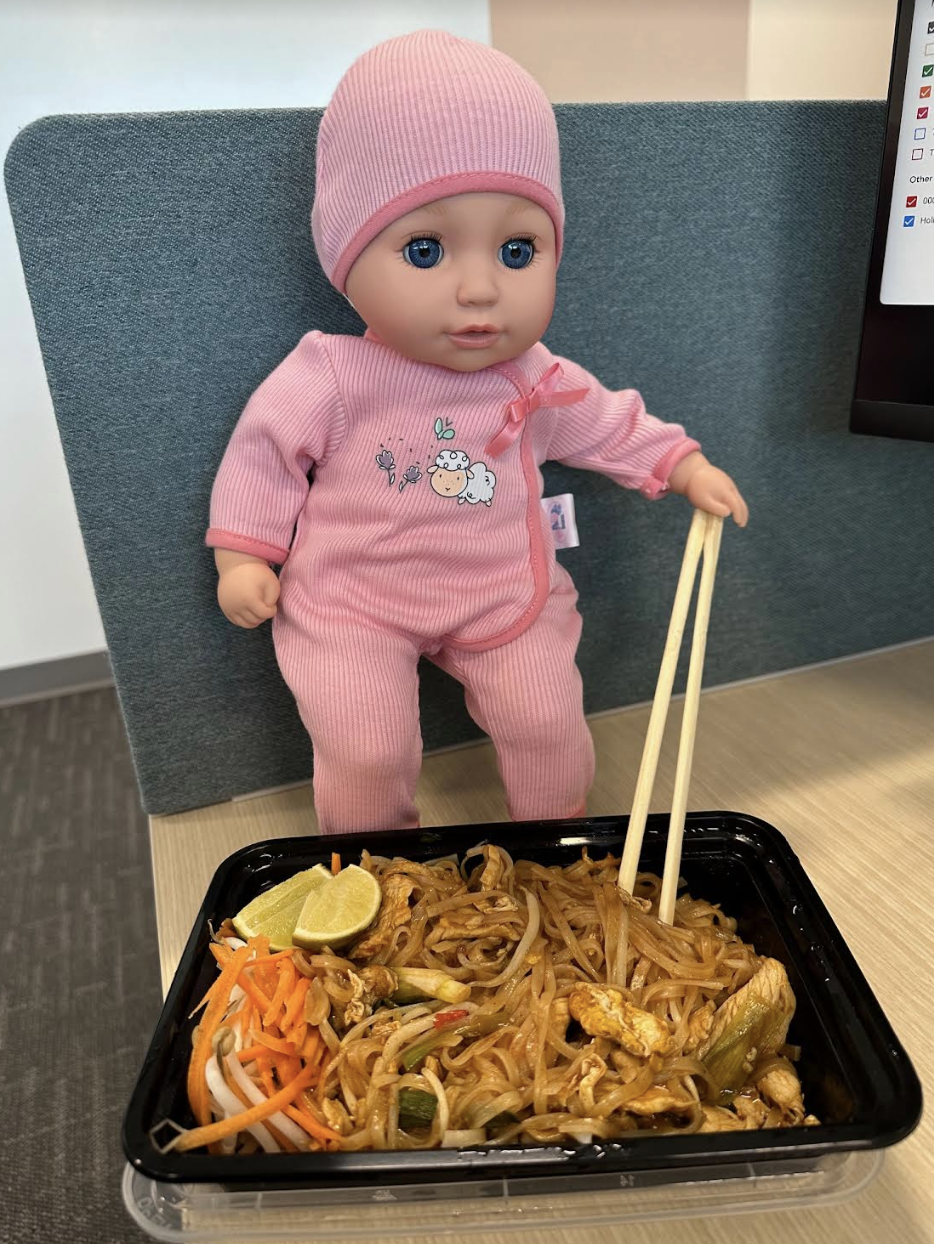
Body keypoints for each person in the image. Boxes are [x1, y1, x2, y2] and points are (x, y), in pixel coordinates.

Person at [206, 30, 748, 835]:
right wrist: (243, 556)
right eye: (425, 250)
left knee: (548, 720)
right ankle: (373, 868)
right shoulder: (331, 373)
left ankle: (556, 843)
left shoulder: (533, 374)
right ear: (346, 257)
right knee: (365, 748)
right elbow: (262, 459)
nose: (479, 289)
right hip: (353, 602)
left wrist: (682, 464)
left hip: (503, 594)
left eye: (518, 249)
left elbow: (606, 420)